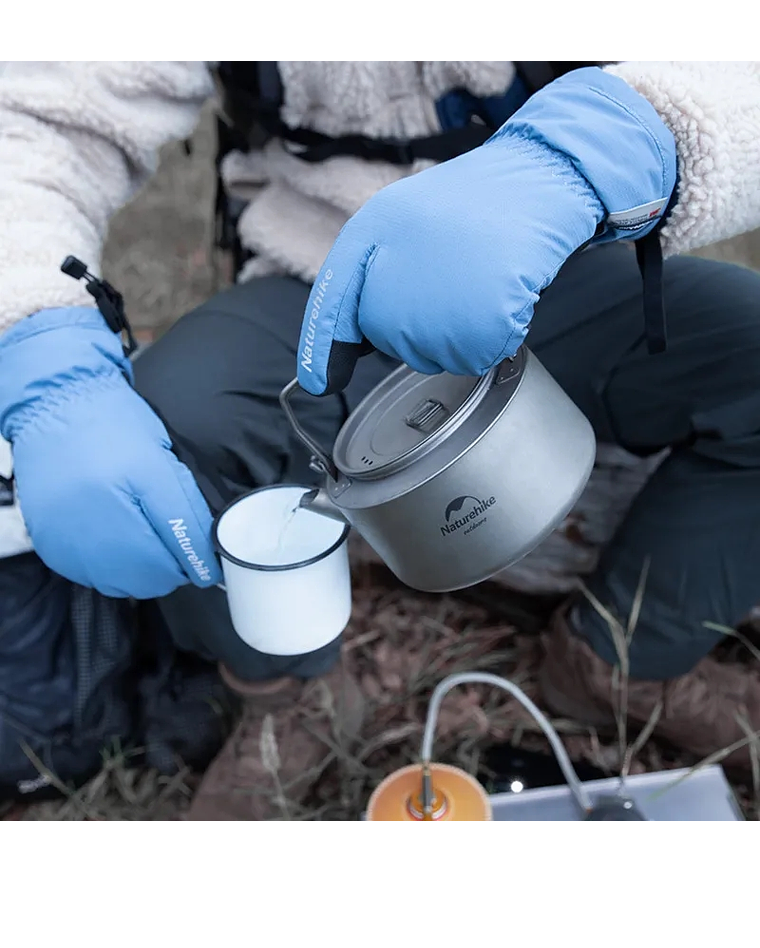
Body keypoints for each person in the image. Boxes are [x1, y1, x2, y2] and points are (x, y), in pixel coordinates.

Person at [0, 61, 758, 823]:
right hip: (317, 288)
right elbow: (44, 116)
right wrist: (43, 352)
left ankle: (622, 662)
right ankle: (293, 692)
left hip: (543, 265)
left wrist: (586, 152)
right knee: (179, 412)